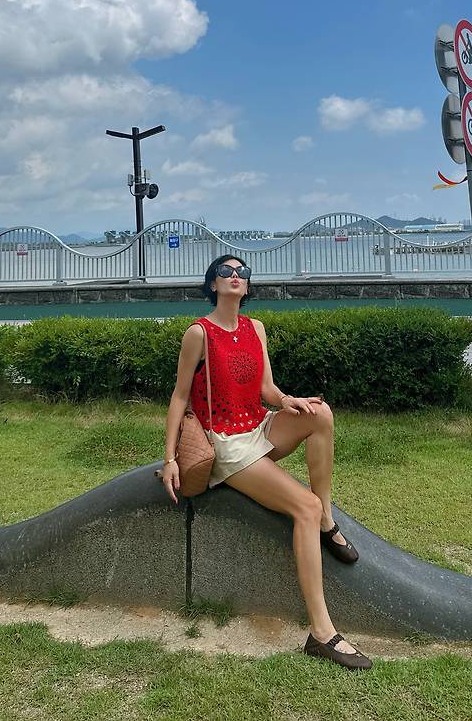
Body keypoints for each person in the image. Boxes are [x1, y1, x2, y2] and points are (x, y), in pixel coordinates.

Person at [160, 255, 372, 671]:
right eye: (225, 272)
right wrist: (170, 458)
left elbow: (267, 388)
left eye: (241, 273)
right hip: (228, 444)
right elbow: (179, 396)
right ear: (213, 284)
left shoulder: (255, 328)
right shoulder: (199, 333)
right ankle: (322, 633)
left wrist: (289, 401)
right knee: (303, 506)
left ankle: (327, 519)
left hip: (258, 425)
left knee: (321, 414)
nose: (234, 277)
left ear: (247, 285)